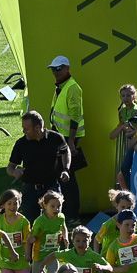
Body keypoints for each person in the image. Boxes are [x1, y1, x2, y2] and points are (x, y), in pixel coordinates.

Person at [8, 112, 71, 221]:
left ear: (37, 128)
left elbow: (66, 151)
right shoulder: (21, 144)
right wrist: (14, 172)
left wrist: (65, 169)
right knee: (30, 223)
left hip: (51, 186)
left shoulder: (55, 138)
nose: (23, 131)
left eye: (26, 129)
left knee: (55, 221)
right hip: (30, 188)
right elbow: (10, 167)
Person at [48, 57, 86, 210]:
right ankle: (66, 210)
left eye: (58, 69)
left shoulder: (71, 87)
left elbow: (75, 115)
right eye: (53, 69)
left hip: (67, 137)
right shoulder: (61, 86)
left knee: (67, 174)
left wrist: (71, 141)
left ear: (67, 69)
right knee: (63, 173)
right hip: (60, 135)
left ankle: (71, 212)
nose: (55, 72)